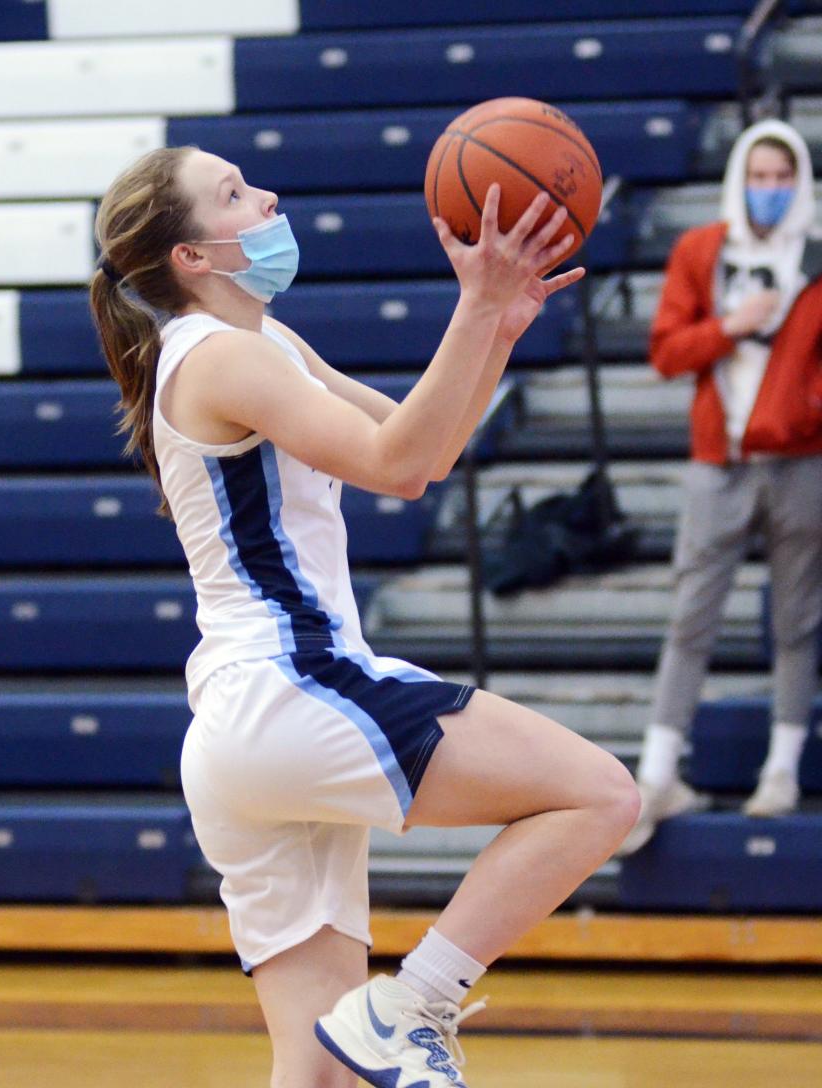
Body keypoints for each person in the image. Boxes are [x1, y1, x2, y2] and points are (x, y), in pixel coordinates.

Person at [89, 145, 640, 1088]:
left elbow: (419, 451)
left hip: (241, 735)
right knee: (599, 794)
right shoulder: (222, 357)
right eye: (233, 194)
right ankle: (416, 1003)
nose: (266, 195)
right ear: (191, 257)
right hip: (290, 683)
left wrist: (496, 326)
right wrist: (473, 311)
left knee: (316, 1072)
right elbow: (393, 463)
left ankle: (389, 1021)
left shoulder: (265, 343)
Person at [618, 118, 822, 857]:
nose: (770, 190)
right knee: (690, 617)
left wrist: (805, 407)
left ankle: (782, 770)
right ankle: (659, 772)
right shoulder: (701, 251)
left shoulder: (818, 256)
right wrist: (731, 327)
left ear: (800, 183)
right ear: (740, 178)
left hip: (801, 462)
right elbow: (667, 351)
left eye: (783, 177)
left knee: (797, 622)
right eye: (759, 176)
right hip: (718, 460)